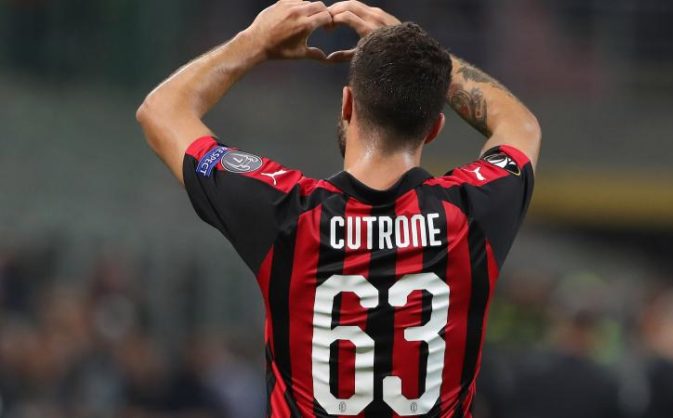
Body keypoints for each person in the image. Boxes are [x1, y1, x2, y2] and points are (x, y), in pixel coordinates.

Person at [136, 1, 541, 417]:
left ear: (347, 104)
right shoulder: (471, 212)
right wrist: (431, 65)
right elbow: (520, 125)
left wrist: (254, 42)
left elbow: (162, 111)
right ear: (434, 128)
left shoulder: (287, 212)